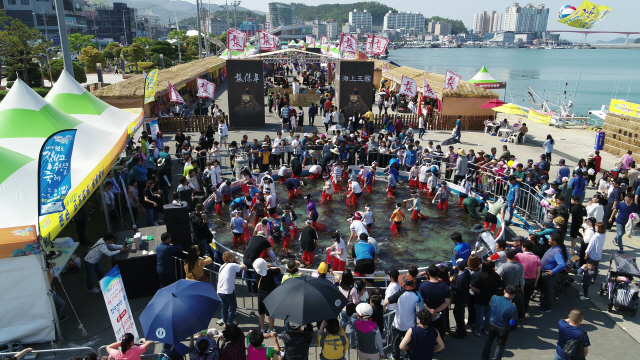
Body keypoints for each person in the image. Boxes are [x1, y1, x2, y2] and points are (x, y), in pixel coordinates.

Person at [385, 272, 420, 360]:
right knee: (408, 343)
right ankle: (406, 357)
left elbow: (387, 301)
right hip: (411, 325)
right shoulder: (416, 295)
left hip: (398, 324)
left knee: (395, 342)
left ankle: (395, 356)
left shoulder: (399, 294)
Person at [481, 286, 518, 360]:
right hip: (503, 328)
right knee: (500, 346)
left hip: (492, 324)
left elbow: (491, 305)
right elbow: (512, 323)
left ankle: (485, 356)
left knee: (489, 340)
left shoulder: (494, 297)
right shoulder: (513, 307)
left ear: (504, 291)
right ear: (513, 295)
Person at [418, 265, 451, 339]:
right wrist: (436, 311)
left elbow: (422, 301)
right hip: (440, 313)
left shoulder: (423, 286)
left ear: (428, 274)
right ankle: (440, 343)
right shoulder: (445, 286)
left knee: (427, 331)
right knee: (440, 329)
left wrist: (430, 311)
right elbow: (447, 302)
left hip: (427, 313)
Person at [470, 260, 501, 337]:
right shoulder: (496, 276)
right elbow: (500, 287)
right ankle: (487, 330)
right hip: (491, 298)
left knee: (480, 315)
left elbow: (471, 284)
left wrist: (474, 289)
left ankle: (478, 331)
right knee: (488, 315)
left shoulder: (480, 276)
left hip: (480, 298)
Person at [217, 251, 247, 327]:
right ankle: (230, 323)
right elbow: (245, 267)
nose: (234, 258)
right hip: (228, 291)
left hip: (220, 290)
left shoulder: (222, 266)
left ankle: (225, 323)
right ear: (230, 258)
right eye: (233, 257)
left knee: (224, 306)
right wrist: (238, 262)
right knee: (233, 306)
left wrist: (217, 291)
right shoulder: (232, 265)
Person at [539, 234, 567, 312]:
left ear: (554, 242)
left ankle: (547, 307)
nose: (548, 240)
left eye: (550, 239)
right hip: (545, 273)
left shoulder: (557, 251)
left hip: (549, 275)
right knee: (545, 290)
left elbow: (562, 264)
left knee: (548, 291)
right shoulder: (553, 247)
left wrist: (553, 271)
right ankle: (544, 302)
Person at [253, 258, 282, 334]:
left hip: (260, 294)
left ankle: (262, 328)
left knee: (261, 312)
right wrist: (270, 266)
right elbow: (280, 269)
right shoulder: (270, 272)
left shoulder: (256, 272)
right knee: (271, 313)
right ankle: (271, 329)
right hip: (270, 294)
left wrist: (265, 266)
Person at [514, 241, 541, 315]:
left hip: (520, 280)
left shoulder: (518, 255)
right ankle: (524, 311)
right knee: (527, 297)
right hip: (531, 280)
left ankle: (516, 312)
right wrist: (536, 281)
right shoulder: (537, 257)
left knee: (518, 297)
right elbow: (538, 272)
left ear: (524, 248)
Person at [496, 249, 525, 318]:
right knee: (514, 305)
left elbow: (497, 276)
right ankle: (513, 318)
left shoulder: (504, 266)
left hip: (505, 288)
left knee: (504, 304)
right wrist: (522, 286)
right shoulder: (520, 266)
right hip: (516, 288)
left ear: (506, 256)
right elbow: (522, 278)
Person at [450, 258, 471, 339]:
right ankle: (461, 330)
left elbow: (457, 288)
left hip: (460, 298)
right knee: (460, 313)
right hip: (465, 296)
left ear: (458, 266)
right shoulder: (467, 272)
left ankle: (461, 332)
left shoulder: (460, 278)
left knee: (458, 315)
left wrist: (452, 282)